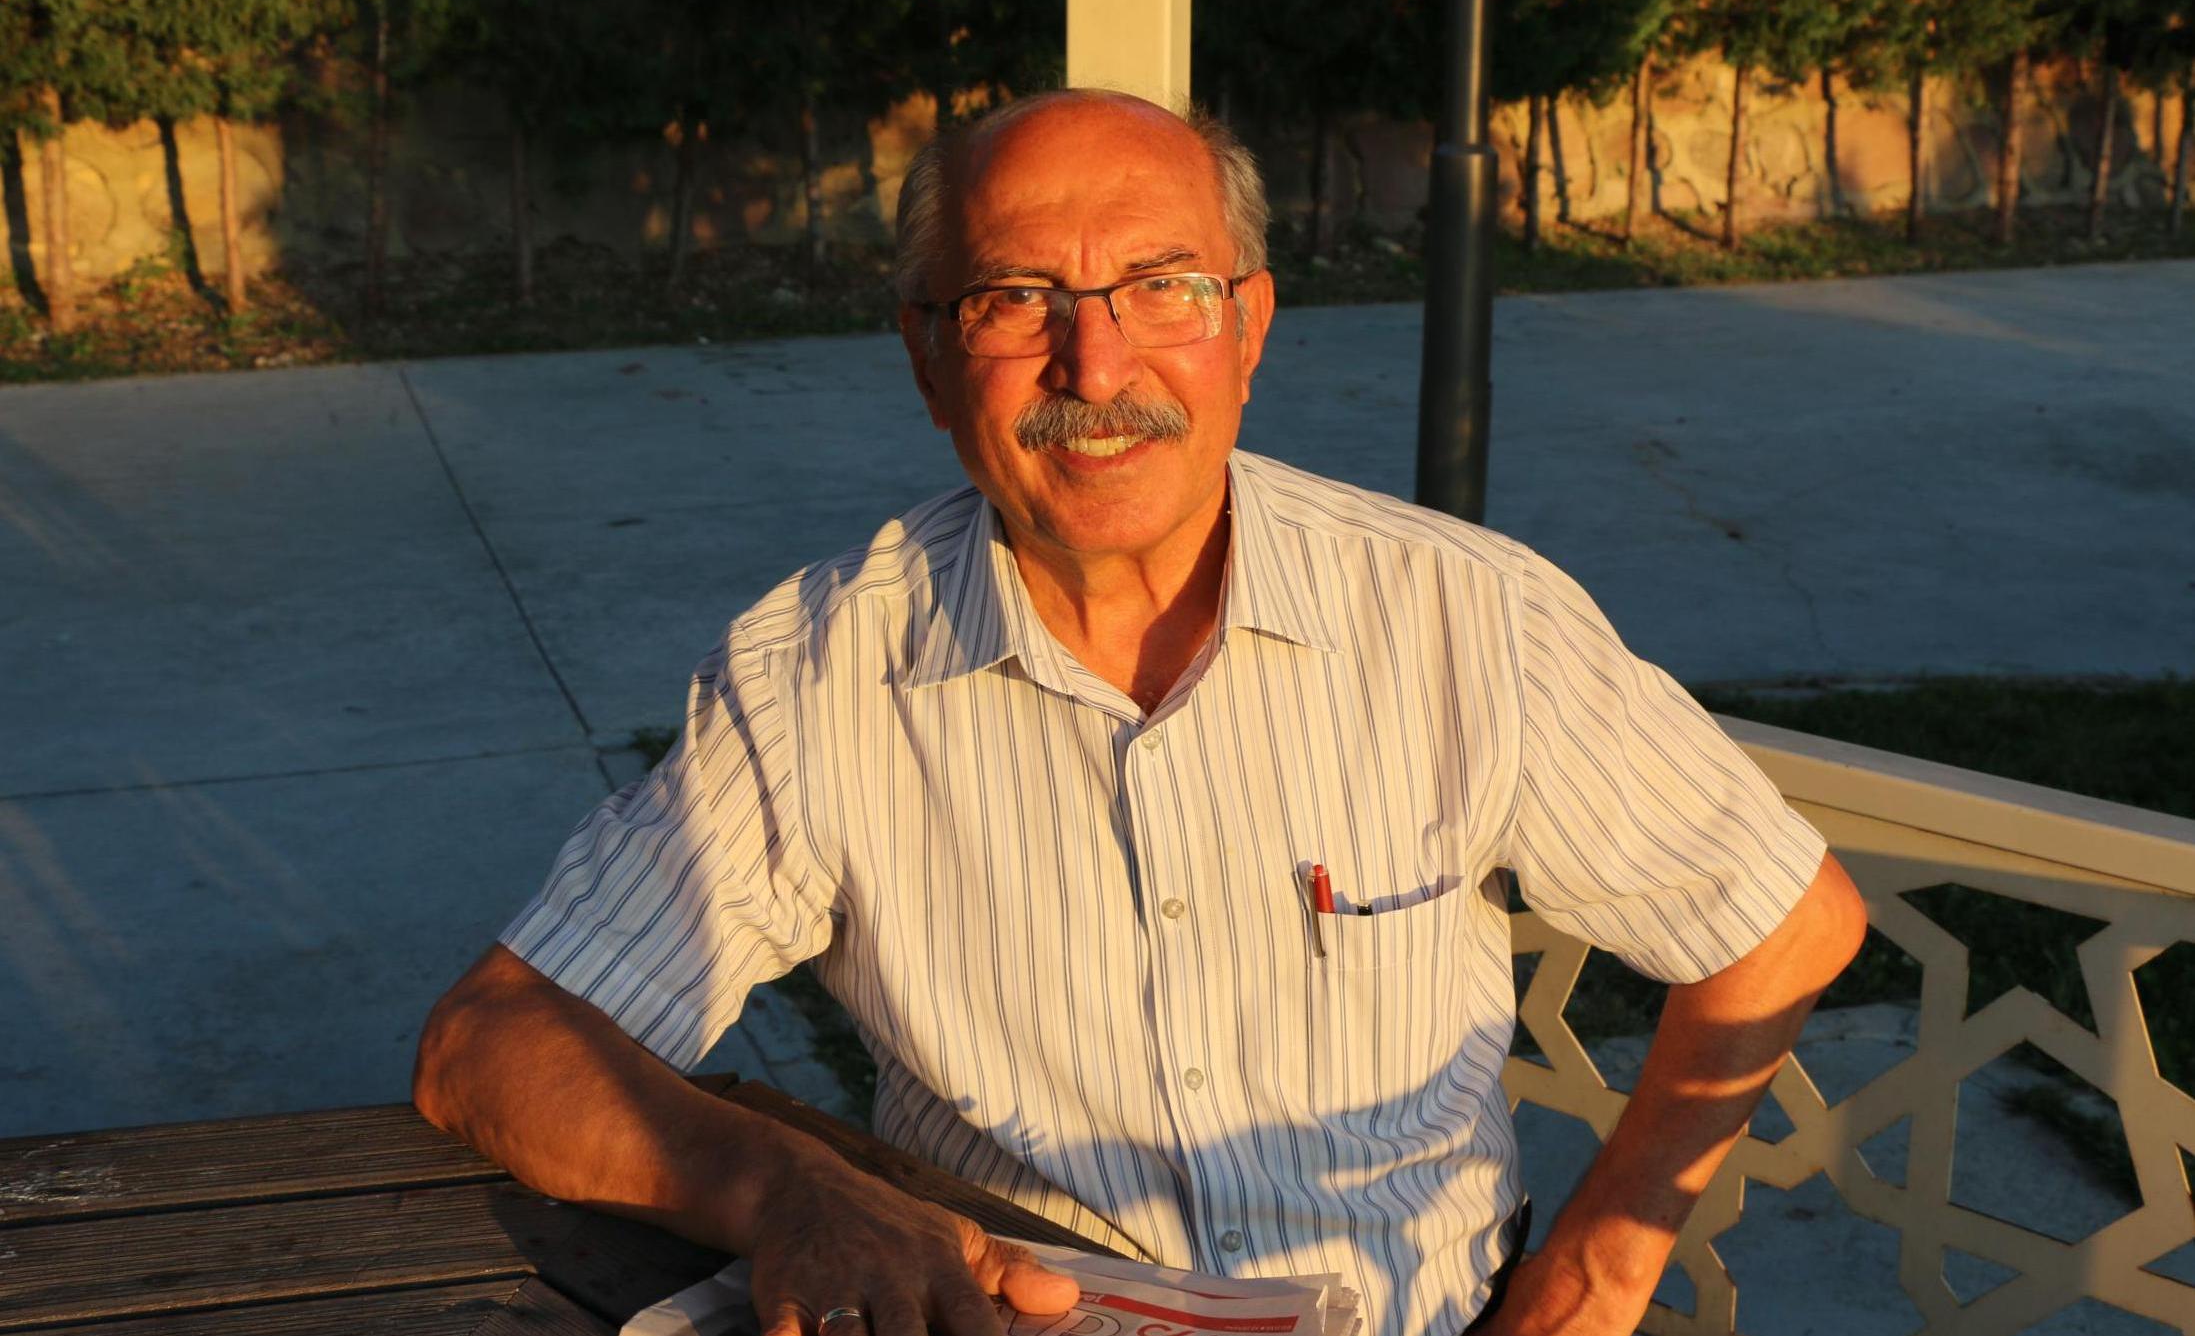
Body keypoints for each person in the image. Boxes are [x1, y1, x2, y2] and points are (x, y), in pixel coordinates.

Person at [413, 89, 1867, 1336]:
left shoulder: (1466, 618)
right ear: (928, 359)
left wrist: (1600, 1269)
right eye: (1015, 299)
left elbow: (1782, 923)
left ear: (1249, 328)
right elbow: (495, 1040)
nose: (1095, 368)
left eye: (1162, 288)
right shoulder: (822, 669)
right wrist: (787, 1186)